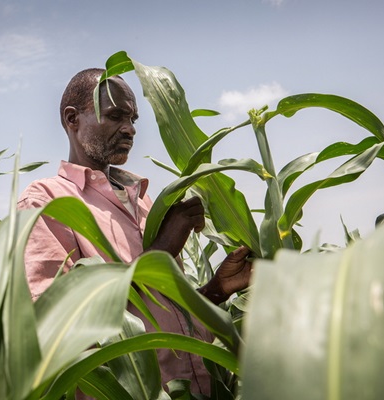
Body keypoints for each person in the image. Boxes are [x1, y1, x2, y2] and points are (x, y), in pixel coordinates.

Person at [18, 68, 252, 397]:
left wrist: (217, 289)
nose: (129, 129)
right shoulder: (47, 203)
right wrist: (161, 251)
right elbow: (57, 328)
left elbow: (165, 322)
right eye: (115, 116)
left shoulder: (145, 204)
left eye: (133, 119)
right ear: (72, 119)